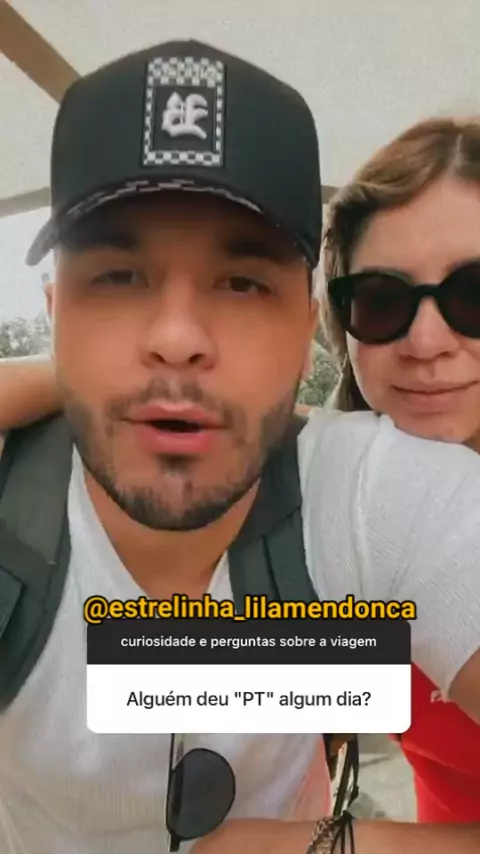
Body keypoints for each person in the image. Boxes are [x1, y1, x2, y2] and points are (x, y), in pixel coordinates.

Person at [1, 38, 480, 854]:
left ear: (300, 328)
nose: (427, 342)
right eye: (117, 277)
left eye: (242, 282)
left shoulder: (386, 501)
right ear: (336, 325)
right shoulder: (335, 524)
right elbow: (158, 671)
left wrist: (329, 847)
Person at [320, 115, 480, 825]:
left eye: (475, 294)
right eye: (381, 300)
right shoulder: (343, 506)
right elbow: (146, 679)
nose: (425, 341)